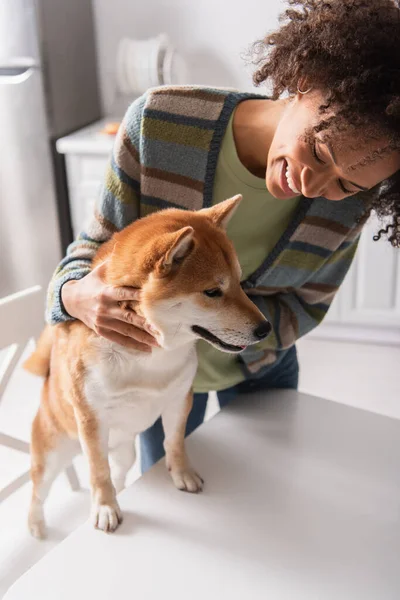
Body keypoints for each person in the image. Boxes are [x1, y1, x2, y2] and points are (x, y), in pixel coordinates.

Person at [46, 0, 400, 472]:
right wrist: (73, 296)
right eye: (317, 149)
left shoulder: (350, 208)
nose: (314, 186)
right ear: (304, 83)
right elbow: (89, 252)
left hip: (260, 370)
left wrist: (215, 329)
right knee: (174, 507)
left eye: (345, 183)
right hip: (149, 376)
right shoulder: (159, 123)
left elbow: (306, 305)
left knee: (267, 496)